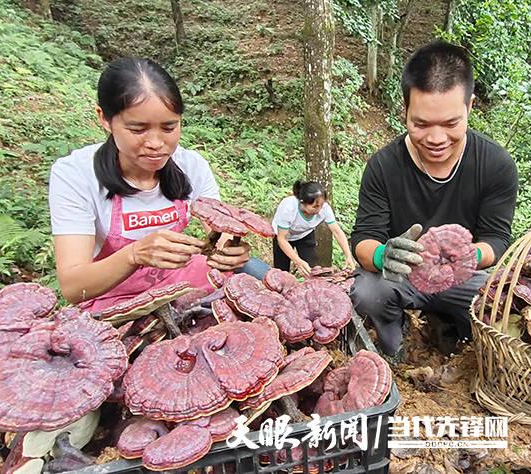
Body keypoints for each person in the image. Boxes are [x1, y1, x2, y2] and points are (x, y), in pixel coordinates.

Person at [49, 57, 268, 311]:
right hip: (113, 300)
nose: (155, 142)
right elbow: (74, 287)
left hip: (180, 282)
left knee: (265, 284)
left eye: (168, 127)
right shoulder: (77, 175)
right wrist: (135, 255)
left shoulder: (191, 166)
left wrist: (229, 250)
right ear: (104, 119)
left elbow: (222, 231)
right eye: (138, 129)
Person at [349, 41, 519, 359]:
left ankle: (457, 337)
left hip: (461, 279)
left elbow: (496, 239)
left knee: (500, 304)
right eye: (421, 124)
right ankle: (391, 346)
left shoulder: (496, 165)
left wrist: (467, 255)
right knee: (367, 290)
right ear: (405, 110)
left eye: (451, 124)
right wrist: (385, 254)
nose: (436, 138)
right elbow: (364, 238)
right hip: (401, 278)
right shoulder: (384, 166)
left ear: (469, 106)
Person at [271, 180, 355, 276]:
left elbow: (337, 231)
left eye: (321, 205)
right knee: (281, 273)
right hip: (282, 236)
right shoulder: (289, 208)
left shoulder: (324, 209)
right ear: (302, 202)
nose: (319, 210)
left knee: (312, 270)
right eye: (315, 206)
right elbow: (282, 239)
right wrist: (298, 261)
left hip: (305, 235)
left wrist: (348, 256)